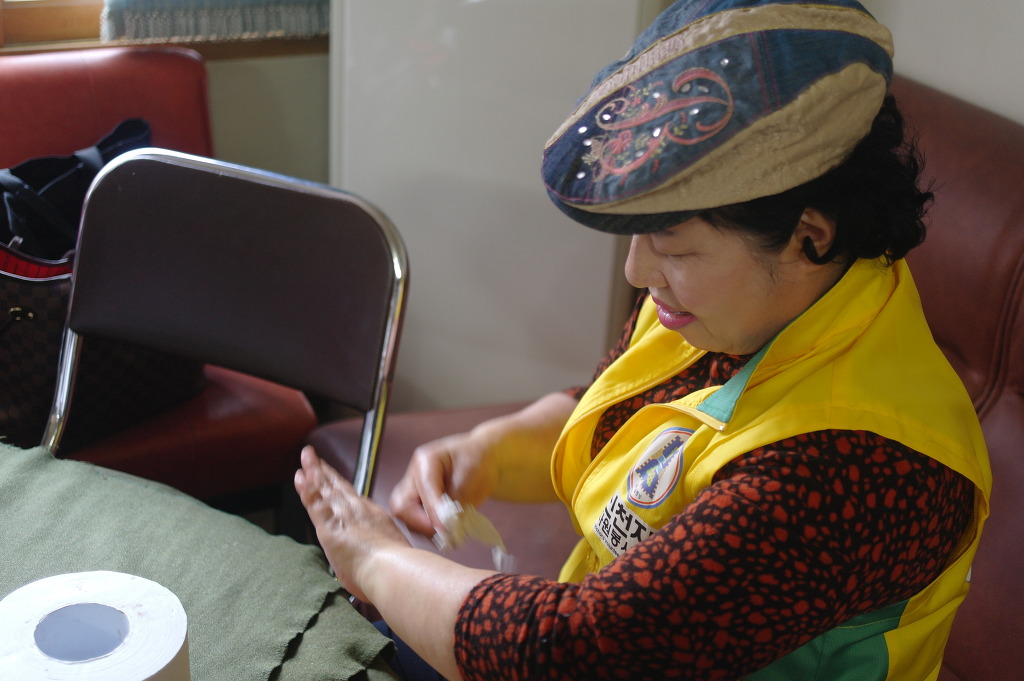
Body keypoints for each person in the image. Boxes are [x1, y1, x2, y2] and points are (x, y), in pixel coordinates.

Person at [294, 1, 991, 680]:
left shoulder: (853, 464)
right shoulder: (742, 304)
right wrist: (488, 453)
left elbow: (577, 653)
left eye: (674, 246)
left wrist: (376, 559)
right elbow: (628, 411)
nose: (637, 271)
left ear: (811, 236)